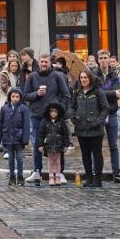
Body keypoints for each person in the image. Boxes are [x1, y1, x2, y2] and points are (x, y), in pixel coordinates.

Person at [22, 53, 71, 184]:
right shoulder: (32, 76)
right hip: (37, 115)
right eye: (42, 62)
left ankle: (60, 173)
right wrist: (36, 94)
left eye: (46, 62)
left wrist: (60, 110)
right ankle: (37, 171)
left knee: (58, 144)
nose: (44, 64)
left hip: (54, 117)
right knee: (37, 144)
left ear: (50, 63)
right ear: (39, 63)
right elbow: (25, 96)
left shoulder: (57, 76)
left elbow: (66, 96)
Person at [69, 70, 109, 187]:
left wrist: (99, 121)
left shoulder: (98, 91)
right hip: (81, 128)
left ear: (90, 78)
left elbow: (105, 108)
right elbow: (72, 107)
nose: (83, 80)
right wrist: (73, 117)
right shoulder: (77, 92)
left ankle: (98, 178)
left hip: (95, 129)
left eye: (85, 77)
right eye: (81, 78)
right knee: (85, 154)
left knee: (97, 154)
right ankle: (89, 177)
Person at [95, 50, 120, 183]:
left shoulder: (114, 76)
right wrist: (111, 93)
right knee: (97, 146)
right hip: (98, 114)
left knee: (113, 145)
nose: (103, 60)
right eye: (100, 58)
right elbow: (96, 93)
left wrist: (106, 93)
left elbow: (118, 92)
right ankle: (97, 172)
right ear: (98, 60)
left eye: (105, 58)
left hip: (112, 113)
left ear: (109, 60)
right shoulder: (93, 76)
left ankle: (116, 173)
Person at [0, 89, 30, 186]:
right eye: (13, 96)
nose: (15, 99)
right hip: (8, 137)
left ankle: (20, 176)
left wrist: (25, 139)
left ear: (20, 98)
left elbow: (26, 125)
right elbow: (0, 123)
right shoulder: (4, 108)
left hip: (19, 138)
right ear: (10, 97)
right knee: (11, 157)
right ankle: (12, 176)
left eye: (17, 97)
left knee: (19, 157)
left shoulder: (23, 108)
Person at [36, 102, 69, 187]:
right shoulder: (44, 121)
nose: (54, 113)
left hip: (59, 144)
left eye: (55, 111)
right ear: (48, 112)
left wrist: (66, 145)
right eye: (52, 111)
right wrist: (40, 145)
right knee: (50, 161)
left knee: (58, 161)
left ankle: (57, 177)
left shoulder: (61, 122)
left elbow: (65, 134)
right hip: (48, 144)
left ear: (58, 112)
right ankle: (51, 177)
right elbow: (40, 134)